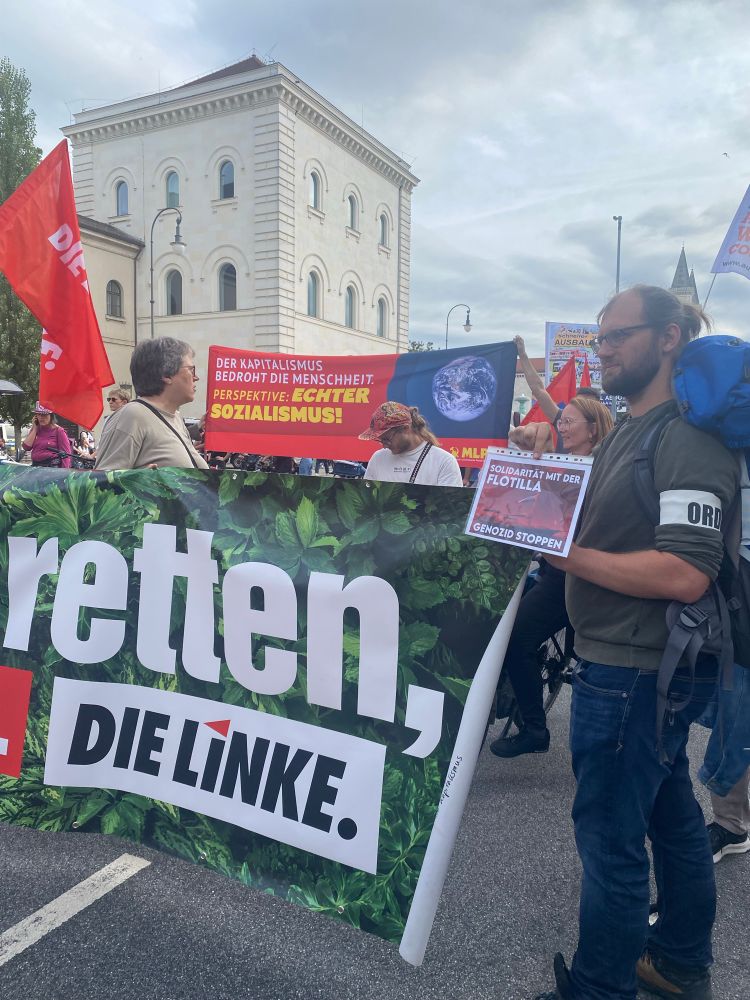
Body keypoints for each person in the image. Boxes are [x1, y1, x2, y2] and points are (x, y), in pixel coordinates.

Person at [531, 286, 738, 1000]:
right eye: (599, 338)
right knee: (670, 818)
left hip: (636, 670)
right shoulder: (633, 428)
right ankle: (678, 964)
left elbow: (684, 572)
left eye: (617, 336)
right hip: (633, 666)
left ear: (670, 336)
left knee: (611, 846)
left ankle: (595, 990)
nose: (603, 350)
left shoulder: (686, 437)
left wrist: (566, 558)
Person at [490, 395, 613, 758]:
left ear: (593, 429)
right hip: (548, 566)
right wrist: (528, 438)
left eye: (569, 422)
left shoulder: (601, 468)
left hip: (574, 574)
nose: (562, 427)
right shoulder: (561, 462)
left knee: (516, 640)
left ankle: (534, 729)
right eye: (561, 422)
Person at [95, 337, 208, 471]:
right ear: (167, 375)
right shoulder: (132, 415)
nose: (196, 377)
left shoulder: (175, 416)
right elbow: (100, 484)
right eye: (191, 370)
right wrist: (138, 482)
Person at [359, 401, 463, 486]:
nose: (385, 446)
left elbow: (449, 509)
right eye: (380, 440)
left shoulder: (444, 462)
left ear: (406, 429)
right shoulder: (378, 458)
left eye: (387, 439)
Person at [21, 403, 71, 468]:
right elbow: (26, 447)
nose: (41, 417)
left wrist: (64, 474)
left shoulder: (59, 431)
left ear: (51, 416)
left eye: (45, 415)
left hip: (52, 468)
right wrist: (35, 429)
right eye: (39, 414)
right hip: (36, 467)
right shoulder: (35, 429)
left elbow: (66, 455)